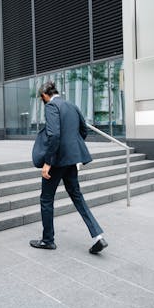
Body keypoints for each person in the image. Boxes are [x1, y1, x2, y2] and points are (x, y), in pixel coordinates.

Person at [30, 81, 108, 254]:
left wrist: (48, 162)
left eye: (41, 97)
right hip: (72, 160)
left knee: (46, 199)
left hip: (56, 161)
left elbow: (54, 135)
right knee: (77, 197)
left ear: (44, 95)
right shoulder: (72, 106)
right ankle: (98, 236)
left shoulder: (51, 106)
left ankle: (48, 240)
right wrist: (72, 149)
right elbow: (83, 130)